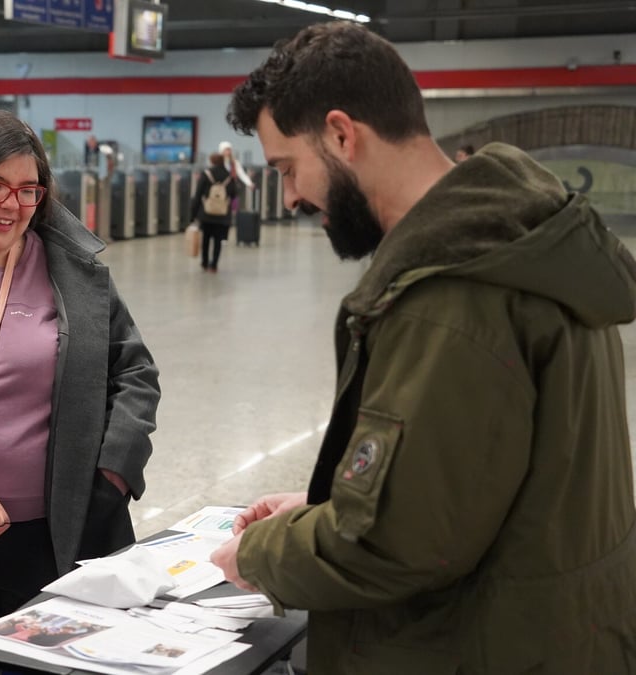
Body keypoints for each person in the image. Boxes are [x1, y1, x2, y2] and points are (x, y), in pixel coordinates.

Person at [211, 20, 636, 673]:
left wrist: (261, 554)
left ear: (342, 134)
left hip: (477, 645)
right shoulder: (528, 243)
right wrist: (333, 501)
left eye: (288, 168)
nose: (291, 195)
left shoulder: (450, 295)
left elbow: (397, 544)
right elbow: (474, 484)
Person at [0, 109, 160, 618]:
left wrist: (114, 471)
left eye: (29, 190)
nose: (12, 205)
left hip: (64, 530)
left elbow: (134, 371)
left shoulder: (73, 272)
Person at [190, 152, 238, 273]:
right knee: (218, 240)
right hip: (222, 214)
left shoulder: (206, 174)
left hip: (207, 213)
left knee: (206, 238)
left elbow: (198, 195)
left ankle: (204, 262)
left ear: (212, 161)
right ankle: (214, 264)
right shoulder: (229, 176)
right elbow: (234, 194)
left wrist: (193, 215)